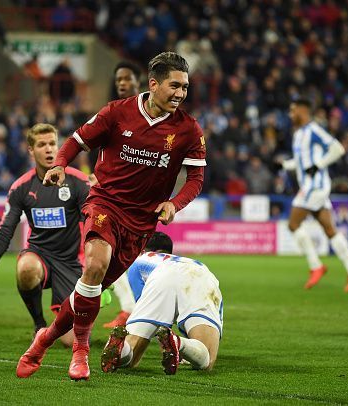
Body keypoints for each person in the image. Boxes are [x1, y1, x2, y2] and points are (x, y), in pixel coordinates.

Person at [16, 51, 207, 381]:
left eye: (185, 88)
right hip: (105, 203)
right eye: (174, 86)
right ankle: (81, 351)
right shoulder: (118, 113)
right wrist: (60, 163)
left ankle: (43, 339)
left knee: (88, 288)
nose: (180, 94)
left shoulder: (188, 130)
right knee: (94, 266)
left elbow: (196, 179)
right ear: (153, 84)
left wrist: (175, 204)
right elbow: (76, 140)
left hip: (141, 222)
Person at [0, 123, 90, 347]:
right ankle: (39, 324)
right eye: (42, 145)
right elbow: (5, 230)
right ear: (31, 150)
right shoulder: (21, 187)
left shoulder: (78, 182)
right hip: (39, 254)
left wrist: (95, 276)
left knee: (70, 341)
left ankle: (61, 324)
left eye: (53, 143)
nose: (49, 149)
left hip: (71, 262)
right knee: (26, 269)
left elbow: (92, 227)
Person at [101, 232, 222, 374]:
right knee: (206, 359)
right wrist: (169, 338)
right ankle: (179, 343)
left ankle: (122, 348)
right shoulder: (185, 261)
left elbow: (151, 319)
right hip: (201, 275)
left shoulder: (140, 260)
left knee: (132, 356)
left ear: (143, 250)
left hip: (161, 275)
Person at [281, 98, 348, 292]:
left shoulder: (313, 130)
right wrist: (284, 165)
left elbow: (338, 149)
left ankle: (316, 266)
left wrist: (319, 165)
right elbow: (302, 162)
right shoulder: (299, 134)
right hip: (313, 187)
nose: (290, 115)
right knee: (329, 230)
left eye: (293, 111)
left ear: (303, 110)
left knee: (293, 224)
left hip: (314, 187)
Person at [102, 61, 142, 329]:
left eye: (126, 78)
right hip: (115, 196)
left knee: (140, 257)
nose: (121, 83)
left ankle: (141, 310)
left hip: (142, 198)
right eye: (118, 79)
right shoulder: (113, 113)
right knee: (111, 254)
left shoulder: (153, 114)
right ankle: (129, 310)